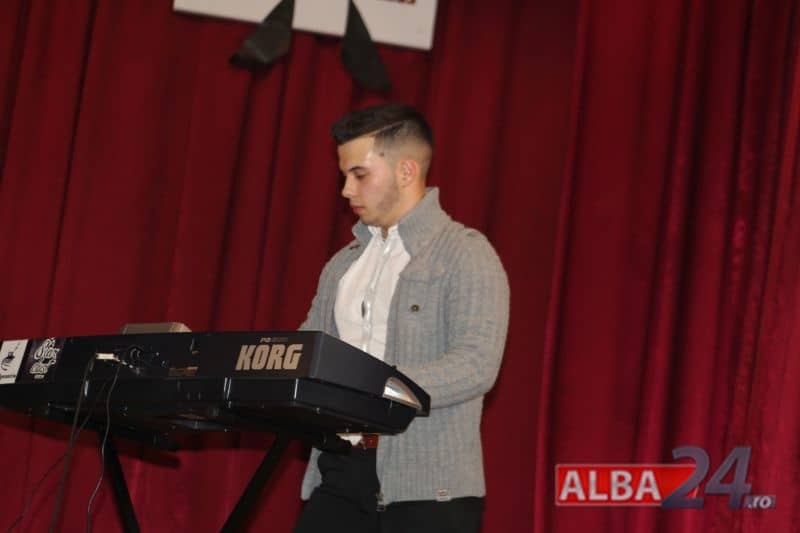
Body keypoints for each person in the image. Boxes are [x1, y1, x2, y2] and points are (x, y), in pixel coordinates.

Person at [294, 103, 509, 533]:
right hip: (338, 472)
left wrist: (376, 386)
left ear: (406, 171)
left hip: (427, 488)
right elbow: (308, 349)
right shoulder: (342, 265)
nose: (346, 190)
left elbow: (476, 365)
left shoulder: (465, 254)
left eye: (359, 175)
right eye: (344, 176)